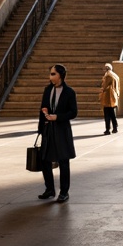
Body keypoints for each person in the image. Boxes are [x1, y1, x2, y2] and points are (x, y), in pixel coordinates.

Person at [37, 64, 77, 202]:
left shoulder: (69, 92)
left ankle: (64, 192)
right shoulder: (47, 90)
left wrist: (58, 117)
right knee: (45, 160)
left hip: (62, 130)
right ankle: (49, 189)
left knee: (63, 161)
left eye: (53, 74)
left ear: (60, 75)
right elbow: (42, 108)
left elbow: (73, 112)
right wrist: (41, 128)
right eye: (50, 73)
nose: (50, 76)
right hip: (48, 130)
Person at [99, 62, 120, 135]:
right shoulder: (115, 75)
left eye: (104, 68)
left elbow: (104, 86)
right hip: (114, 97)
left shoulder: (108, 76)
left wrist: (101, 91)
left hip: (108, 97)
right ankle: (115, 128)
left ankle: (107, 129)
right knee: (113, 114)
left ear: (107, 69)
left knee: (107, 114)